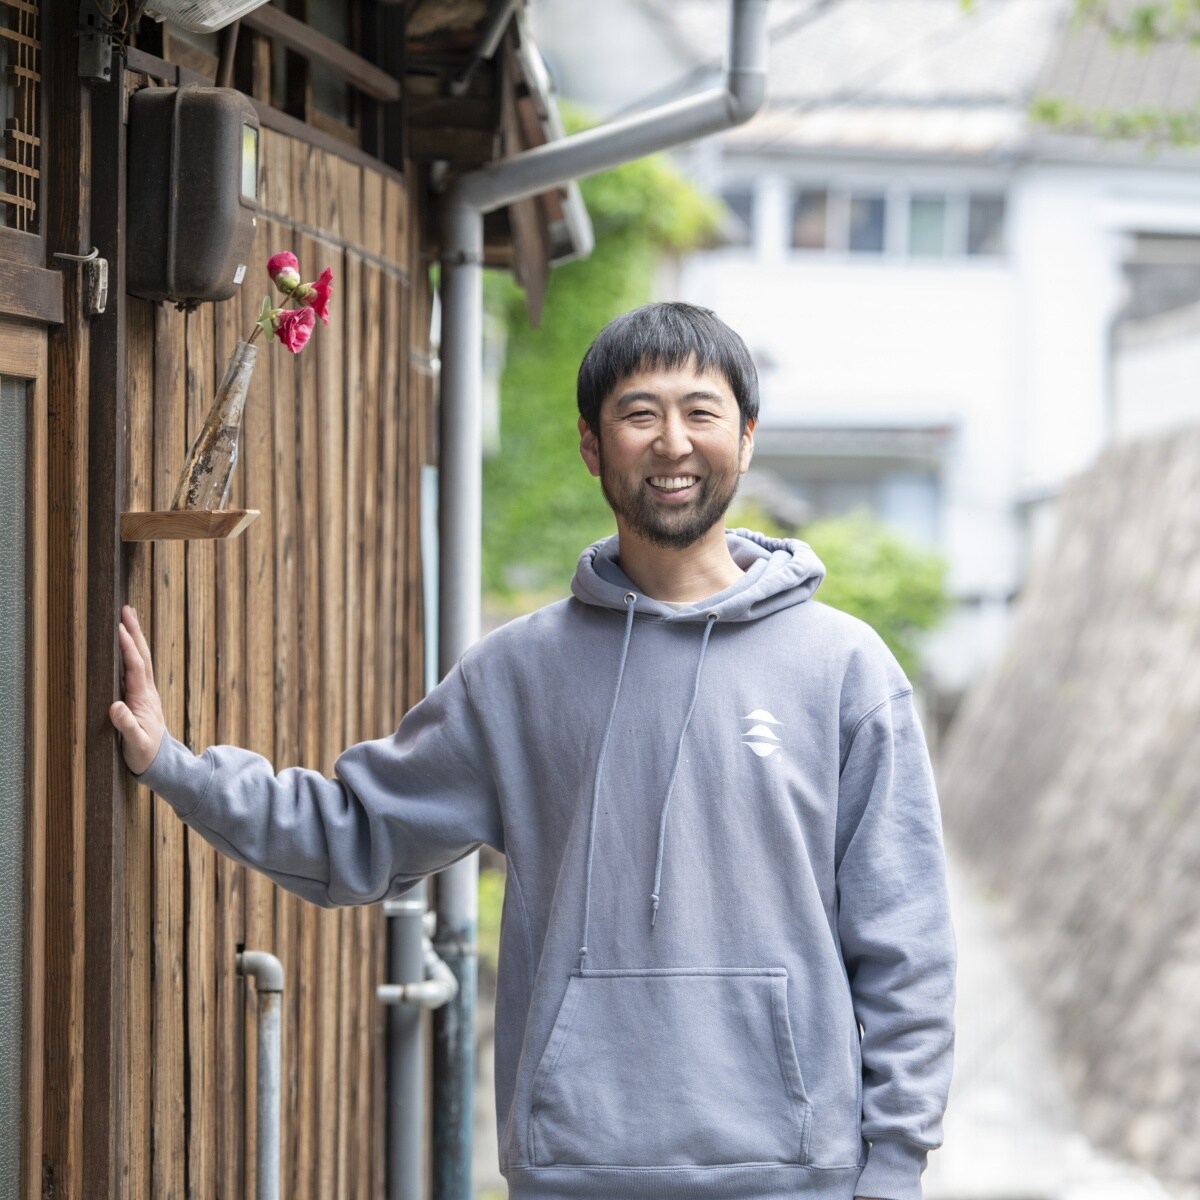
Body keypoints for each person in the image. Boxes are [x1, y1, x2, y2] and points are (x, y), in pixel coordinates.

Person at [111, 302, 955, 1200]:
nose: (672, 442)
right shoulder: (518, 675)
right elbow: (358, 832)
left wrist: (893, 1166)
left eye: (701, 412)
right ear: (593, 447)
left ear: (745, 439)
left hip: (799, 1176)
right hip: (575, 1168)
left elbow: (905, 942)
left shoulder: (843, 669)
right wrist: (175, 763)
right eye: (640, 414)